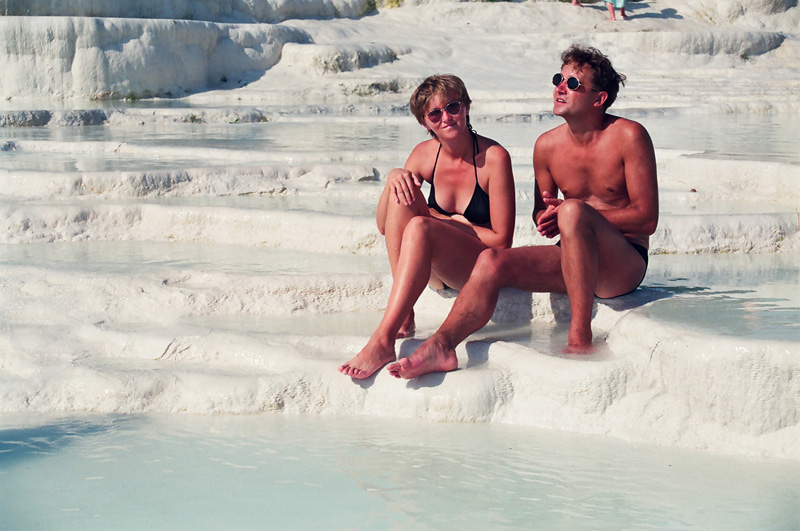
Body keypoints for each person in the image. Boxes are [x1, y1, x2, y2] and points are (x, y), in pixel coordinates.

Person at [388, 45, 659, 379]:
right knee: (491, 261)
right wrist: (547, 219)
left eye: (572, 84)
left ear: (598, 99)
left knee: (573, 211)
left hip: (623, 261)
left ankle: (580, 336)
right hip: (572, 257)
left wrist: (574, 214)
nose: (560, 87)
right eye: (559, 78)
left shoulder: (629, 136)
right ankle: (443, 345)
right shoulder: (546, 146)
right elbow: (540, 214)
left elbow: (647, 218)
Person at [338, 74, 516, 379]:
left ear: (467, 107)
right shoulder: (423, 154)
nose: (446, 117)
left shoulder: (493, 158)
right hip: (434, 270)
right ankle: (404, 314)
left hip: (473, 271)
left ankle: (383, 339)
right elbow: (386, 223)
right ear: (425, 122)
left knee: (421, 226)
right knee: (402, 193)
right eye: (436, 113)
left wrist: (441, 221)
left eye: (453, 107)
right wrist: (393, 177)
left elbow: (502, 243)